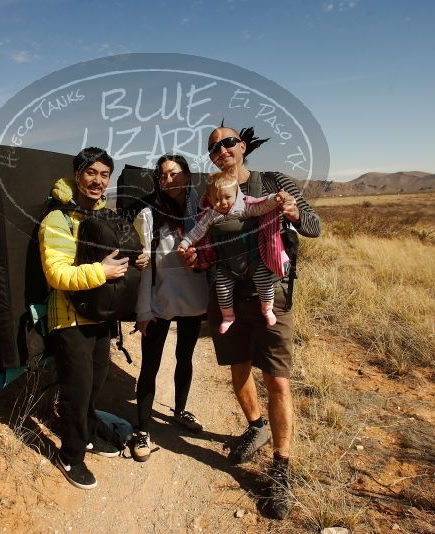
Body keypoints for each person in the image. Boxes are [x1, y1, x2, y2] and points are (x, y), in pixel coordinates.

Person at [182, 126, 321, 519]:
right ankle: (255, 425)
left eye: (227, 142)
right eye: (212, 147)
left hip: (270, 295)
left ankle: (281, 467)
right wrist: (195, 259)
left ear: (242, 147)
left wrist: (293, 212)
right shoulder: (206, 196)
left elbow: (315, 226)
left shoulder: (272, 182)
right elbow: (204, 247)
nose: (220, 149)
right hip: (226, 296)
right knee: (238, 370)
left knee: (277, 378)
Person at [38, 147, 148, 490]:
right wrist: (100, 271)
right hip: (69, 319)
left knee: (95, 381)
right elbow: (55, 274)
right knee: (78, 386)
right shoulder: (58, 219)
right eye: (91, 173)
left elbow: (122, 256)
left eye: (104, 174)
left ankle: (84, 429)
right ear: (77, 174)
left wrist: (137, 259)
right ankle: (71, 455)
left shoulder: (107, 216)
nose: (98, 180)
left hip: (100, 316)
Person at [130, 155, 209, 463]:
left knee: (184, 358)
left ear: (187, 176)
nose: (169, 180)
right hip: (160, 303)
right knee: (150, 365)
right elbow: (146, 269)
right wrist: (143, 311)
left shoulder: (203, 211)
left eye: (174, 174)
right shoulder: (149, 215)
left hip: (194, 301)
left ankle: (179, 411)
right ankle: (143, 429)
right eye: (163, 176)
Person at [177, 171, 289, 333]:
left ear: (236, 194)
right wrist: (185, 243)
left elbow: (261, 205)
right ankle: (228, 316)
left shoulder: (244, 208)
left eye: (227, 197)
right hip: (227, 265)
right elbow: (197, 231)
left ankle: (267, 308)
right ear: (209, 198)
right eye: (217, 199)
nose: (222, 202)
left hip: (253, 260)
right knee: (222, 288)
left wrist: (275, 199)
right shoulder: (211, 216)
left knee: (264, 282)